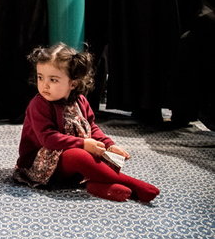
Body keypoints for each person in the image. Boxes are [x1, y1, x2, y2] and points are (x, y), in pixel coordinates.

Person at [13, 43, 160, 203]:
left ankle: (97, 186)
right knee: (80, 156)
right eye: (40, 77)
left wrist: (108, 144)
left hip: (73, 162)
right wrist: (83, 144)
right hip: (42, 165)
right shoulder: (40, 104)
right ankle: (133, 184)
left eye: (53, 80)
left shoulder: (80, 100)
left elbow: (92, 127)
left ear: (73, 83)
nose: (44, 85)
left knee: (101, 154)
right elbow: (48, 139)